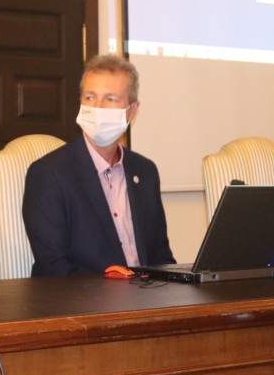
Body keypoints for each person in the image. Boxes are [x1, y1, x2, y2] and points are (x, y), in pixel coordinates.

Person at [22, 53, 174, 276]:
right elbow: (53, 266)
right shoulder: (48, 174)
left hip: (145, 301)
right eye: (90, 98)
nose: (98, 108)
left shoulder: (145, 171)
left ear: (132, 110)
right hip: (82, 304)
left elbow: (160, 256)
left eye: (111, 99)